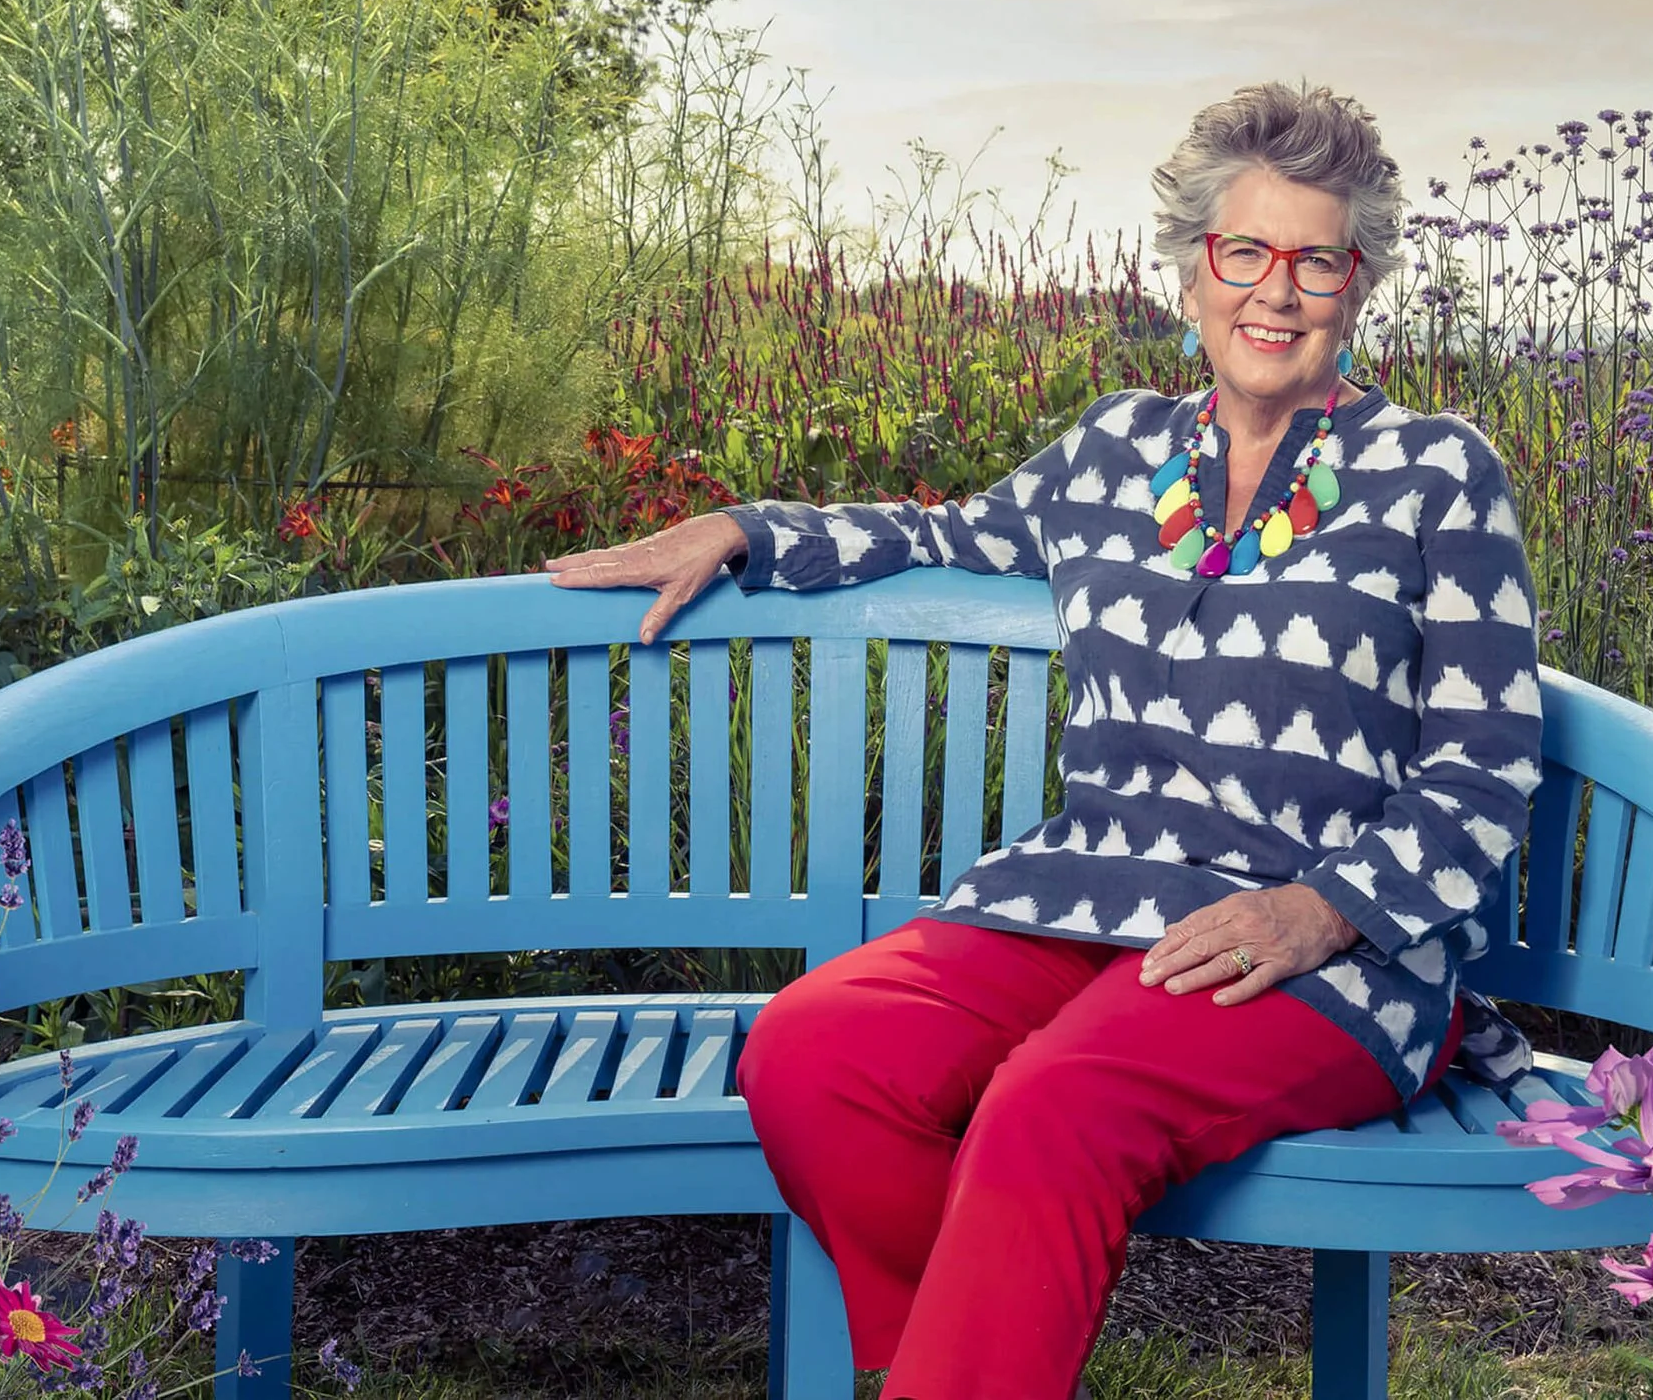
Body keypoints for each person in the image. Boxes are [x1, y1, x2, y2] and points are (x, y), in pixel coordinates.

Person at [545, 81, 1541, 1400]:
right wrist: (748, 531)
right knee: (813, 1052)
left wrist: (1320, 909)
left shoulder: (1436, 469)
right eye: (1244, 250)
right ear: (1191, 268)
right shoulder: (1116, 451)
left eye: (1316, 258)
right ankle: (958, 1368)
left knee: (1051, 1101)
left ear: (1358, 283)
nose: (1276, 290)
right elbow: (946, 536)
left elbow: (1487, 767)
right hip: (1089, 905)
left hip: (1318, 958)